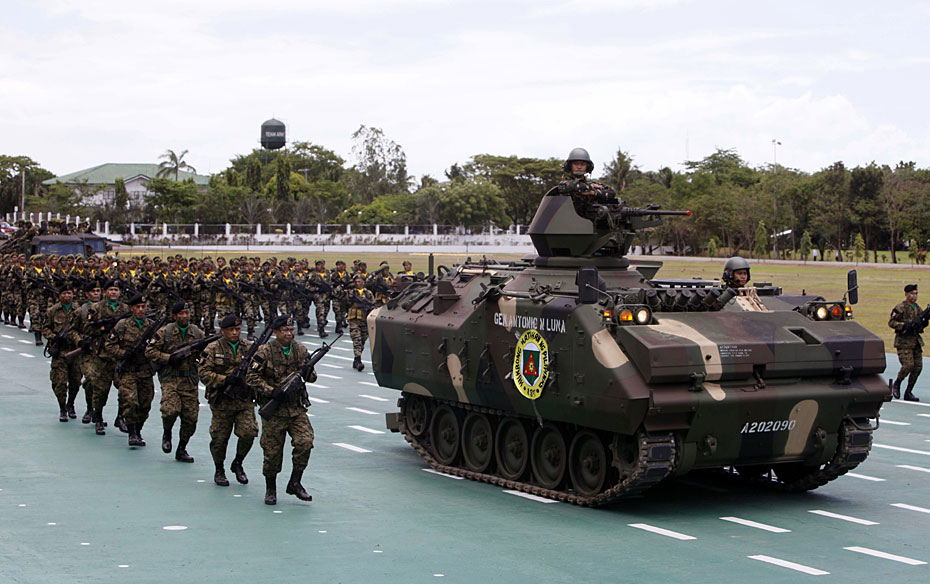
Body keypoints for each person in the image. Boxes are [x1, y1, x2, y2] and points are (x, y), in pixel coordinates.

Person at [246, 315, 315, 505]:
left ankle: (295, 482)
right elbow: (251, 377)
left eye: (291, 330)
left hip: (296, 408)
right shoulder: (265, 351)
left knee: (305, 442)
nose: (289, 333)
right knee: (272, 453)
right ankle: (271, 488)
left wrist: (308, 372)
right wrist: (271, 391)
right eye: (285, 330)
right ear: (276, 333)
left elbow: (312, 377)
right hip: (274, 410)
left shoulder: (300, 350)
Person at [199, 314, 258, 487]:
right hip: (222, 401)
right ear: (223, 331)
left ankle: (238, 462)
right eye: (231, 330)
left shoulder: (249, 348)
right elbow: (203, 374)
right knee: (219, 438)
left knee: (249, 432)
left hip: (243, 399)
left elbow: (259, 370)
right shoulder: (212, 348)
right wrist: (225, 380)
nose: (235, 333)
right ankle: (219, 469)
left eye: (237, 329)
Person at [145, 302, 205, 462]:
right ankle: (167, 432)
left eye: (187, 313)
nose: (184, 316)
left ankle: (182, 448)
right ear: (174, 316)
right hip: (170, 378)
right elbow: (149, 351)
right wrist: (168, 358)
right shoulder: (165, 332)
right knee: (170, 410)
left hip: (189, 379)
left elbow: (206, 354)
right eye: (181, 313)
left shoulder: (197, 333)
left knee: (191, 418)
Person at [104, 294, 157, 447]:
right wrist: (123, 353)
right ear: (132, 308)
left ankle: (138, 430)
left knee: (145, 404)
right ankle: (132, 432)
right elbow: (109, 345)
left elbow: (159, 347)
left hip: (145, 371)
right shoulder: (122, 325)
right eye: (137, 307)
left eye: (143, 307)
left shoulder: (152, 326)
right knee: (130, 401)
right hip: (128, 371)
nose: (141, 310)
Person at [42, 284, 82, 422]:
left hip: (75, 351)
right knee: (59, 382)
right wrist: (54, 337)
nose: (67, 296)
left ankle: (71, 403)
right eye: (64, 293)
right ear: (59, 295)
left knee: (76, 381)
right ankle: (63, 408)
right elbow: (45, 328)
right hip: (60, 352)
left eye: (69, 293)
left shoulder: (78, 310)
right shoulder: (52, 310)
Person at [889, 284, 924, 401]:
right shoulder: (900, 308)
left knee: (918, 367)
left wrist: (922, 323)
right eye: (912, 293)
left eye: (916, 293)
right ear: (906, 294)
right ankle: (897, 383)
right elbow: (891, 322)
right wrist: (904, 326)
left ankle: (908, 391)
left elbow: (921, 321)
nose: (914, 296)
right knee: (908, 366)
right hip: (904, 342)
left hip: (915, 341)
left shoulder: (917, 308)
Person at [347, 275, 375, 371]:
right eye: (356, 281)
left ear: (363, 282)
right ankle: (358, 360)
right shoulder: (351, 292)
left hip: (364, 320)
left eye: (359, 281)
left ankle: (356, 359)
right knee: (357, 340)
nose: (357, 283)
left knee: (362, 339)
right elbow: (345, 301)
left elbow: (373, 305)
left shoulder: (368, 293)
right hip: (354, 320)